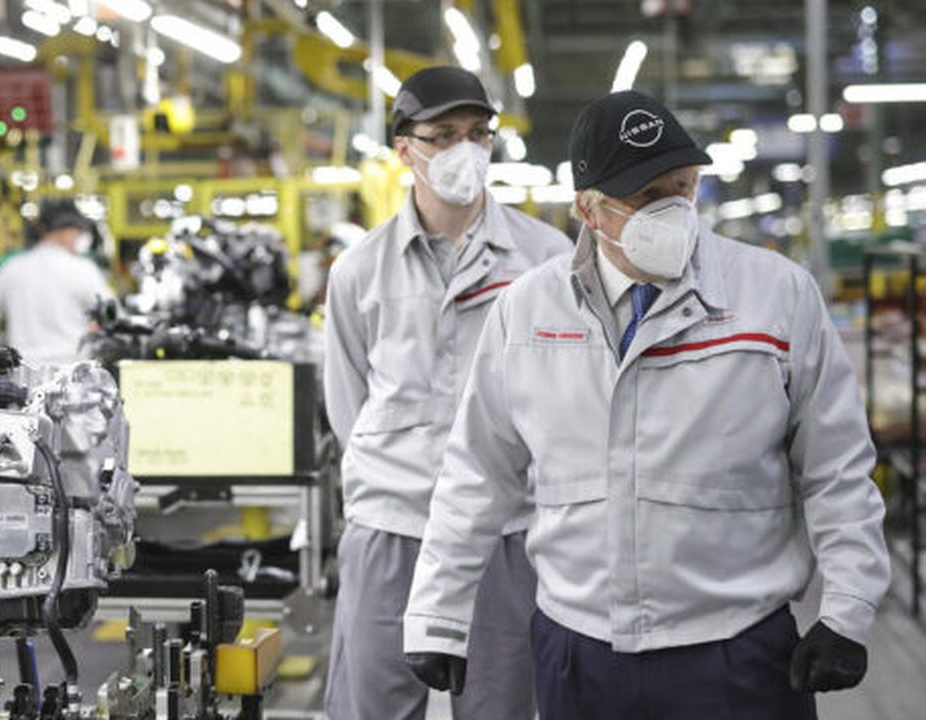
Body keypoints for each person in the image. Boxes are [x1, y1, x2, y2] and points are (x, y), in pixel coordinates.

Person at [402, 89, 891, 720]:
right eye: (646, 196)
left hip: (737, 651)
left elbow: (837, 467)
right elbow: (476, 474)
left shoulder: (775, 296)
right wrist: (438, 612)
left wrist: (847, 610)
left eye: (682, 187)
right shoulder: (527, 312)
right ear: (589, 209)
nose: (674, 211)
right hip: (579, 651)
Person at [323, 66, 569, 720]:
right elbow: (348, 402)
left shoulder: (545, 259)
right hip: (393, 522)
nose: (466, 149)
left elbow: (566, 394)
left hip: (505, 525)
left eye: (477, 134)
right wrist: (399, 466)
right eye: (444, 135)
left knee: (502, 704)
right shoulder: (358, 271)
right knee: (372, 704)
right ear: (405, 148)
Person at [0, 199, 112, 365]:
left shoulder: (12, 268)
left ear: (42, 229)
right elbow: (112, 316)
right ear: (70, 231)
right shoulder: (83, 269)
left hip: (22, 374)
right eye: (77, 231)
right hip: (72, 372)